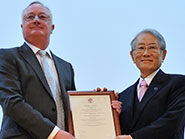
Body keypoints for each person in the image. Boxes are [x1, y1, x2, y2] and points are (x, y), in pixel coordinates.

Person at [0, 1, 76, 139]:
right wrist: (53, 134)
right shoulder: (7, 57)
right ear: (22, 26)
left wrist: (105, 108)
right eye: (30, 17)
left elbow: (73, 109)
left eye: (42, 17)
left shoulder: (66, 67)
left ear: (52, 27)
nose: (36, 20)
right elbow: (11, 102)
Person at [115, 29, 185, 139]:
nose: (146, 53)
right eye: (141, 48)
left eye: (152, 47)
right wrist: (110, 112)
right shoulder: (123, 96)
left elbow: (172, 122)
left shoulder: (178, 84)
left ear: (163, 54)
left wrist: (133, 138)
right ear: (132, 56)